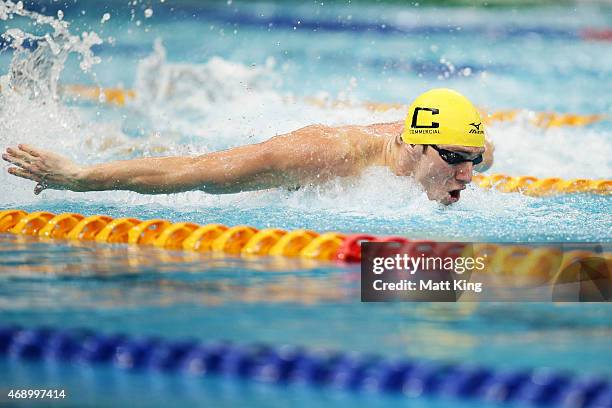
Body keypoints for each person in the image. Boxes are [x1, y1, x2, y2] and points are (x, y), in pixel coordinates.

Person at [3, 88, 493, 205]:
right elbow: (195, 171)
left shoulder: (465, 151)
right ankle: (102, 145)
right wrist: (81, 177)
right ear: (411, 145)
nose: (467, 176)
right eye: (453, 160)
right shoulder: (324, 155)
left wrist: (473, 154)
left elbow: (485, 149)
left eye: (470, 160)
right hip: (254, 157)